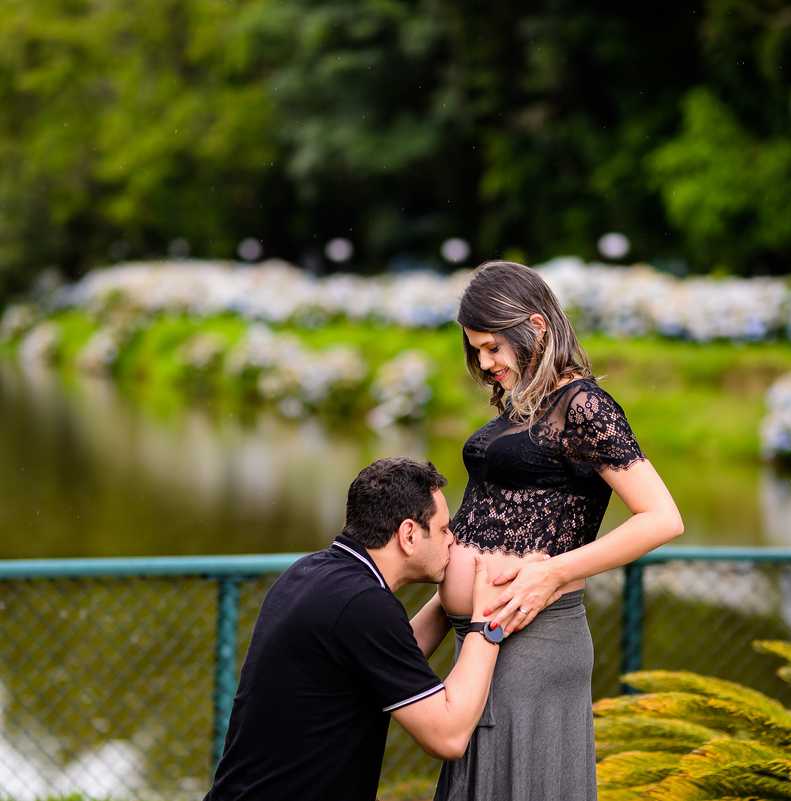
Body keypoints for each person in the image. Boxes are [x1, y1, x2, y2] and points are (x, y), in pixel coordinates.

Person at [432, 261, 685, 801]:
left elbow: (663, 517)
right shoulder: (520, 404)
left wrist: (552, 573)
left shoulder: (584, 405)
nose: (484, 362)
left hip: (533, 639)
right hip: (479, 636)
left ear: (536, 327)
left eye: (493, 347)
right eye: (475, 349)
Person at [202, 456, 506, 801]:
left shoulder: (312, 572)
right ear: (408, 534)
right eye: (442, 530)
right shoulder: (363, 605)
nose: (452, 540)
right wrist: (488, 618)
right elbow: (448, 737)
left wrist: (448, 600)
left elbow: (388, 663)